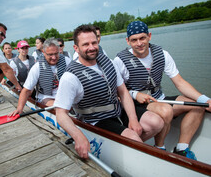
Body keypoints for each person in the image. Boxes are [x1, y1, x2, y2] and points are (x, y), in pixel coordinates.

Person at [54, 25, 164, 159]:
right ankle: (134, 149)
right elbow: (60, 114)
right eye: (85, 44)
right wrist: (77, 136)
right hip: (96, 120)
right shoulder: (70, 77)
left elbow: (123, 92)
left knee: (157, 123)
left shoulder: (109, 63)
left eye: (94, 42)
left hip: (117, 111)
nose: (91, 47)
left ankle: (128, 152)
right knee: (133, 137)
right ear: (76, 48)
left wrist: (133, 119)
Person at [114, 20, 211, 160]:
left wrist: (205, 100)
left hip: (158, 98)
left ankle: (182, 149)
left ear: (149, 36)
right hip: (136, 103)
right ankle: (160, 148)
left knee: (197, 106)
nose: (139, 43)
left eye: (142, 38)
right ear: (128, 41)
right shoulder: (120, 60)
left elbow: (180, 83)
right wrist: (135, 94)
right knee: (166, 110)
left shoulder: (162, 54)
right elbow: (117, 92)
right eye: (134, 40)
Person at [9, 38, 71, 116]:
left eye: (56, 53)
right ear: (43, 52)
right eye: (50, 54)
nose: (54, 57)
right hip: (47, 97)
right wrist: (19, 108)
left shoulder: (67, 61)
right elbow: (26, 90)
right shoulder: (37, 67)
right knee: (62, 107)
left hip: (65, 94)